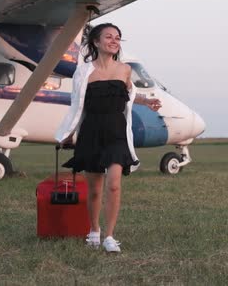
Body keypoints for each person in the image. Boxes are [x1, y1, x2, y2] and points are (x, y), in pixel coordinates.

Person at [54, 23, 161, 253]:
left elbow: (130, 94)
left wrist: (147, 101)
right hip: (92, 131)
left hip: (116, 132)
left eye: (118, 37)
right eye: (109, 36)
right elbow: (77, 105)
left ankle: (110, 236)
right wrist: (68, 133)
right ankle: (94, 230)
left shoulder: (124, 70)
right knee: (94, 190)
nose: (114, 40)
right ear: (96, 42)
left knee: (113, 186)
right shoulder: (83, 71)